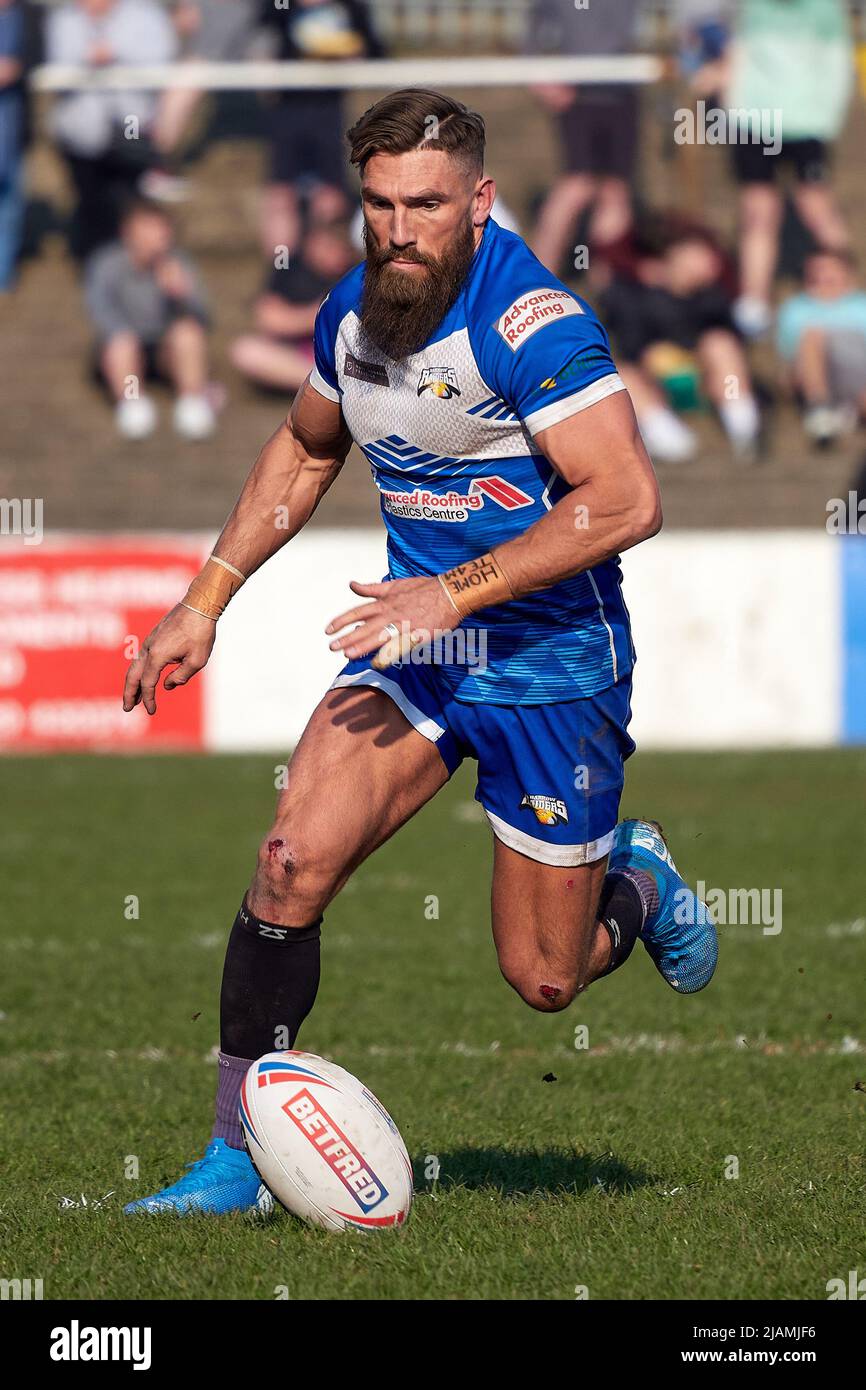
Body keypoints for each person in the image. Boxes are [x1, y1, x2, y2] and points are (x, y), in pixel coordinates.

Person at [120, 89, 717, 1215]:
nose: (401, 228)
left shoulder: (531, 322)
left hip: (548, 661)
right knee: (288, 863)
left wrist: (456, 587)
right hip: (422, 650)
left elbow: (626, 497)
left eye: (428, 205)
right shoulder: (350, 316)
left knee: (545, 977)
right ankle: (232, 1160)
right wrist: (203, 599)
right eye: (381, 204)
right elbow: (302, 454)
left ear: (478, 201)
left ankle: (634, 878)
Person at [724, 0, 854, 338]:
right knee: (759, 211)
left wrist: (826, 119)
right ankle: (754, 303)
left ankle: (848, 292)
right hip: (755, 122)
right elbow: (740, 58)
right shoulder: (754, 9)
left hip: (808, 122)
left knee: (817, 207)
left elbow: (838, 65)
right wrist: (734, 112)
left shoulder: (826, 10)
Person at [600, 218, 763, 462]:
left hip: (703, 379)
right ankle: (668, 439)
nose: (711, 262)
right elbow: (630, 345)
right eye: (698, 254)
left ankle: (744, 431)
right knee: (619, 372)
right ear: (675, 256)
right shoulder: (634, 293)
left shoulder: (714, 295)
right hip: (655, 379)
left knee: (720, 344)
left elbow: (731, 337)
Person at [45, 0, 177, 260]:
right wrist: (87, 58)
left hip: (132, 128)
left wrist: (116, 53)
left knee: (134, 203)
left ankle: (139, 262)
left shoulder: (144, 15)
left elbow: (162, 60)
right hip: (82, 132)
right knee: (92, 205)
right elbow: (54, 64)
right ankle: (96, 268)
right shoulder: (64, 19)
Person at [257, 0, 383, 264]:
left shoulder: (351, 7)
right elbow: (259, 40)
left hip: (330, 110)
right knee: (281, 196)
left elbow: (375, 51)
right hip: (286, 108)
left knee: (329, 197)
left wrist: (353, 55)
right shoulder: (279, 6)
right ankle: (282, 275)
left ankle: (324, 273)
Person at [525, 0, 642, 276]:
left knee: (615, 191)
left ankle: (610, 291)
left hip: (622, 88)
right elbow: (534, 23)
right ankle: (533, 286)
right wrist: (538, 75)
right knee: (577, 184)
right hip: (578, 91)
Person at [85, 197, 216, 439]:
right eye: (149, 228)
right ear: (128, 232)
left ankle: (192, 403)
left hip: (166, 349)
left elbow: (204, 321)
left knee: (188, 333)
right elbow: (99, 312)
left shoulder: (179, 263)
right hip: (125, 346)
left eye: (162, 229)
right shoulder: (106, 263)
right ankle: (132, 406)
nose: (158, 236)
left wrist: (181, 298)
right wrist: (125, 335)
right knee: (121, 342)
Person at [230, 217, 354, 394]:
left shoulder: (354, 277)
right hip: (301, 356)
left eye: (339, 249)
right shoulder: (288, 269)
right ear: (311, 244)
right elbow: (268, 319)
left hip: (343, 359)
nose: (332, 254)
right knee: (246, 351)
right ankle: (326, 389)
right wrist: (315, 315)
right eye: (326, 246)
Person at [777, 248, 866, 447]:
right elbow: (789, 357)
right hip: (815, 372)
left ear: (846, 272)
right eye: (815, 270)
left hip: (858, 371)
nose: (821, 274)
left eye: (828, 269)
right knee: (813, 337)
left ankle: (846, 412)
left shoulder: (862, 304)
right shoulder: (795, 308)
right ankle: (821, 410)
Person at [0, 0, 24, 292]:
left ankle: (3, 274)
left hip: (12, 127)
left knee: (9, 200)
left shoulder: (25, 16)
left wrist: (18, 66)